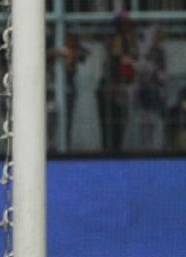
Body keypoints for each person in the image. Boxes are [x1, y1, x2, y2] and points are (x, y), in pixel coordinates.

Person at [96, 11, 137, 152]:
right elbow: (113, 62)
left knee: (119, 126)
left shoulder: (127, 42)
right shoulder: (115, 40)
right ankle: (110, 152)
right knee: (110, 126)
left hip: (120, 87)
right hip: (111, 88)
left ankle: (115, 151)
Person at [49, 33, 90, 148]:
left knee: (68, 119)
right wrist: (56, 53)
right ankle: (51, 143)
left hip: (69, 92)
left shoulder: (77, 55)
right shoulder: (52, 54)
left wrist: (71, 56)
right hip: (52, 91)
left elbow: (86, 55)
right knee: (51, 117)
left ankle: (65, 143)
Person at [133, 25, 167, 150]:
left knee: (153, 119)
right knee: (144, 119)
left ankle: (152, 145)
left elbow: (162, 73)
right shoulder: (143, 52)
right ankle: (144, 145)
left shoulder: (160, 52)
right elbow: (138, 69)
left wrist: (157, 74)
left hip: (155, 90)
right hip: (144, 90)